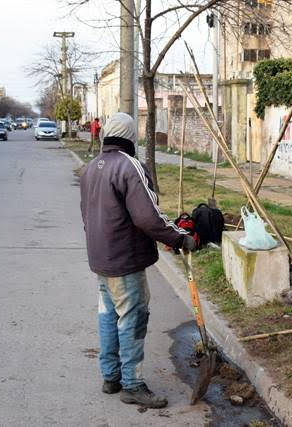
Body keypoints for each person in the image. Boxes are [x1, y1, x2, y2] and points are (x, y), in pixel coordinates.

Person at [80, 112, 196, 408]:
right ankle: (132, 384)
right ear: (131, 135)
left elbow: (86, 216)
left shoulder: (91, 167)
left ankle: (111, 377)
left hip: (101, 258)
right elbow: (148, 217)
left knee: (108, 316)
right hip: (125, 259)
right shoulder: (129, 166)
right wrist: (181, 239)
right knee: (131, 319)